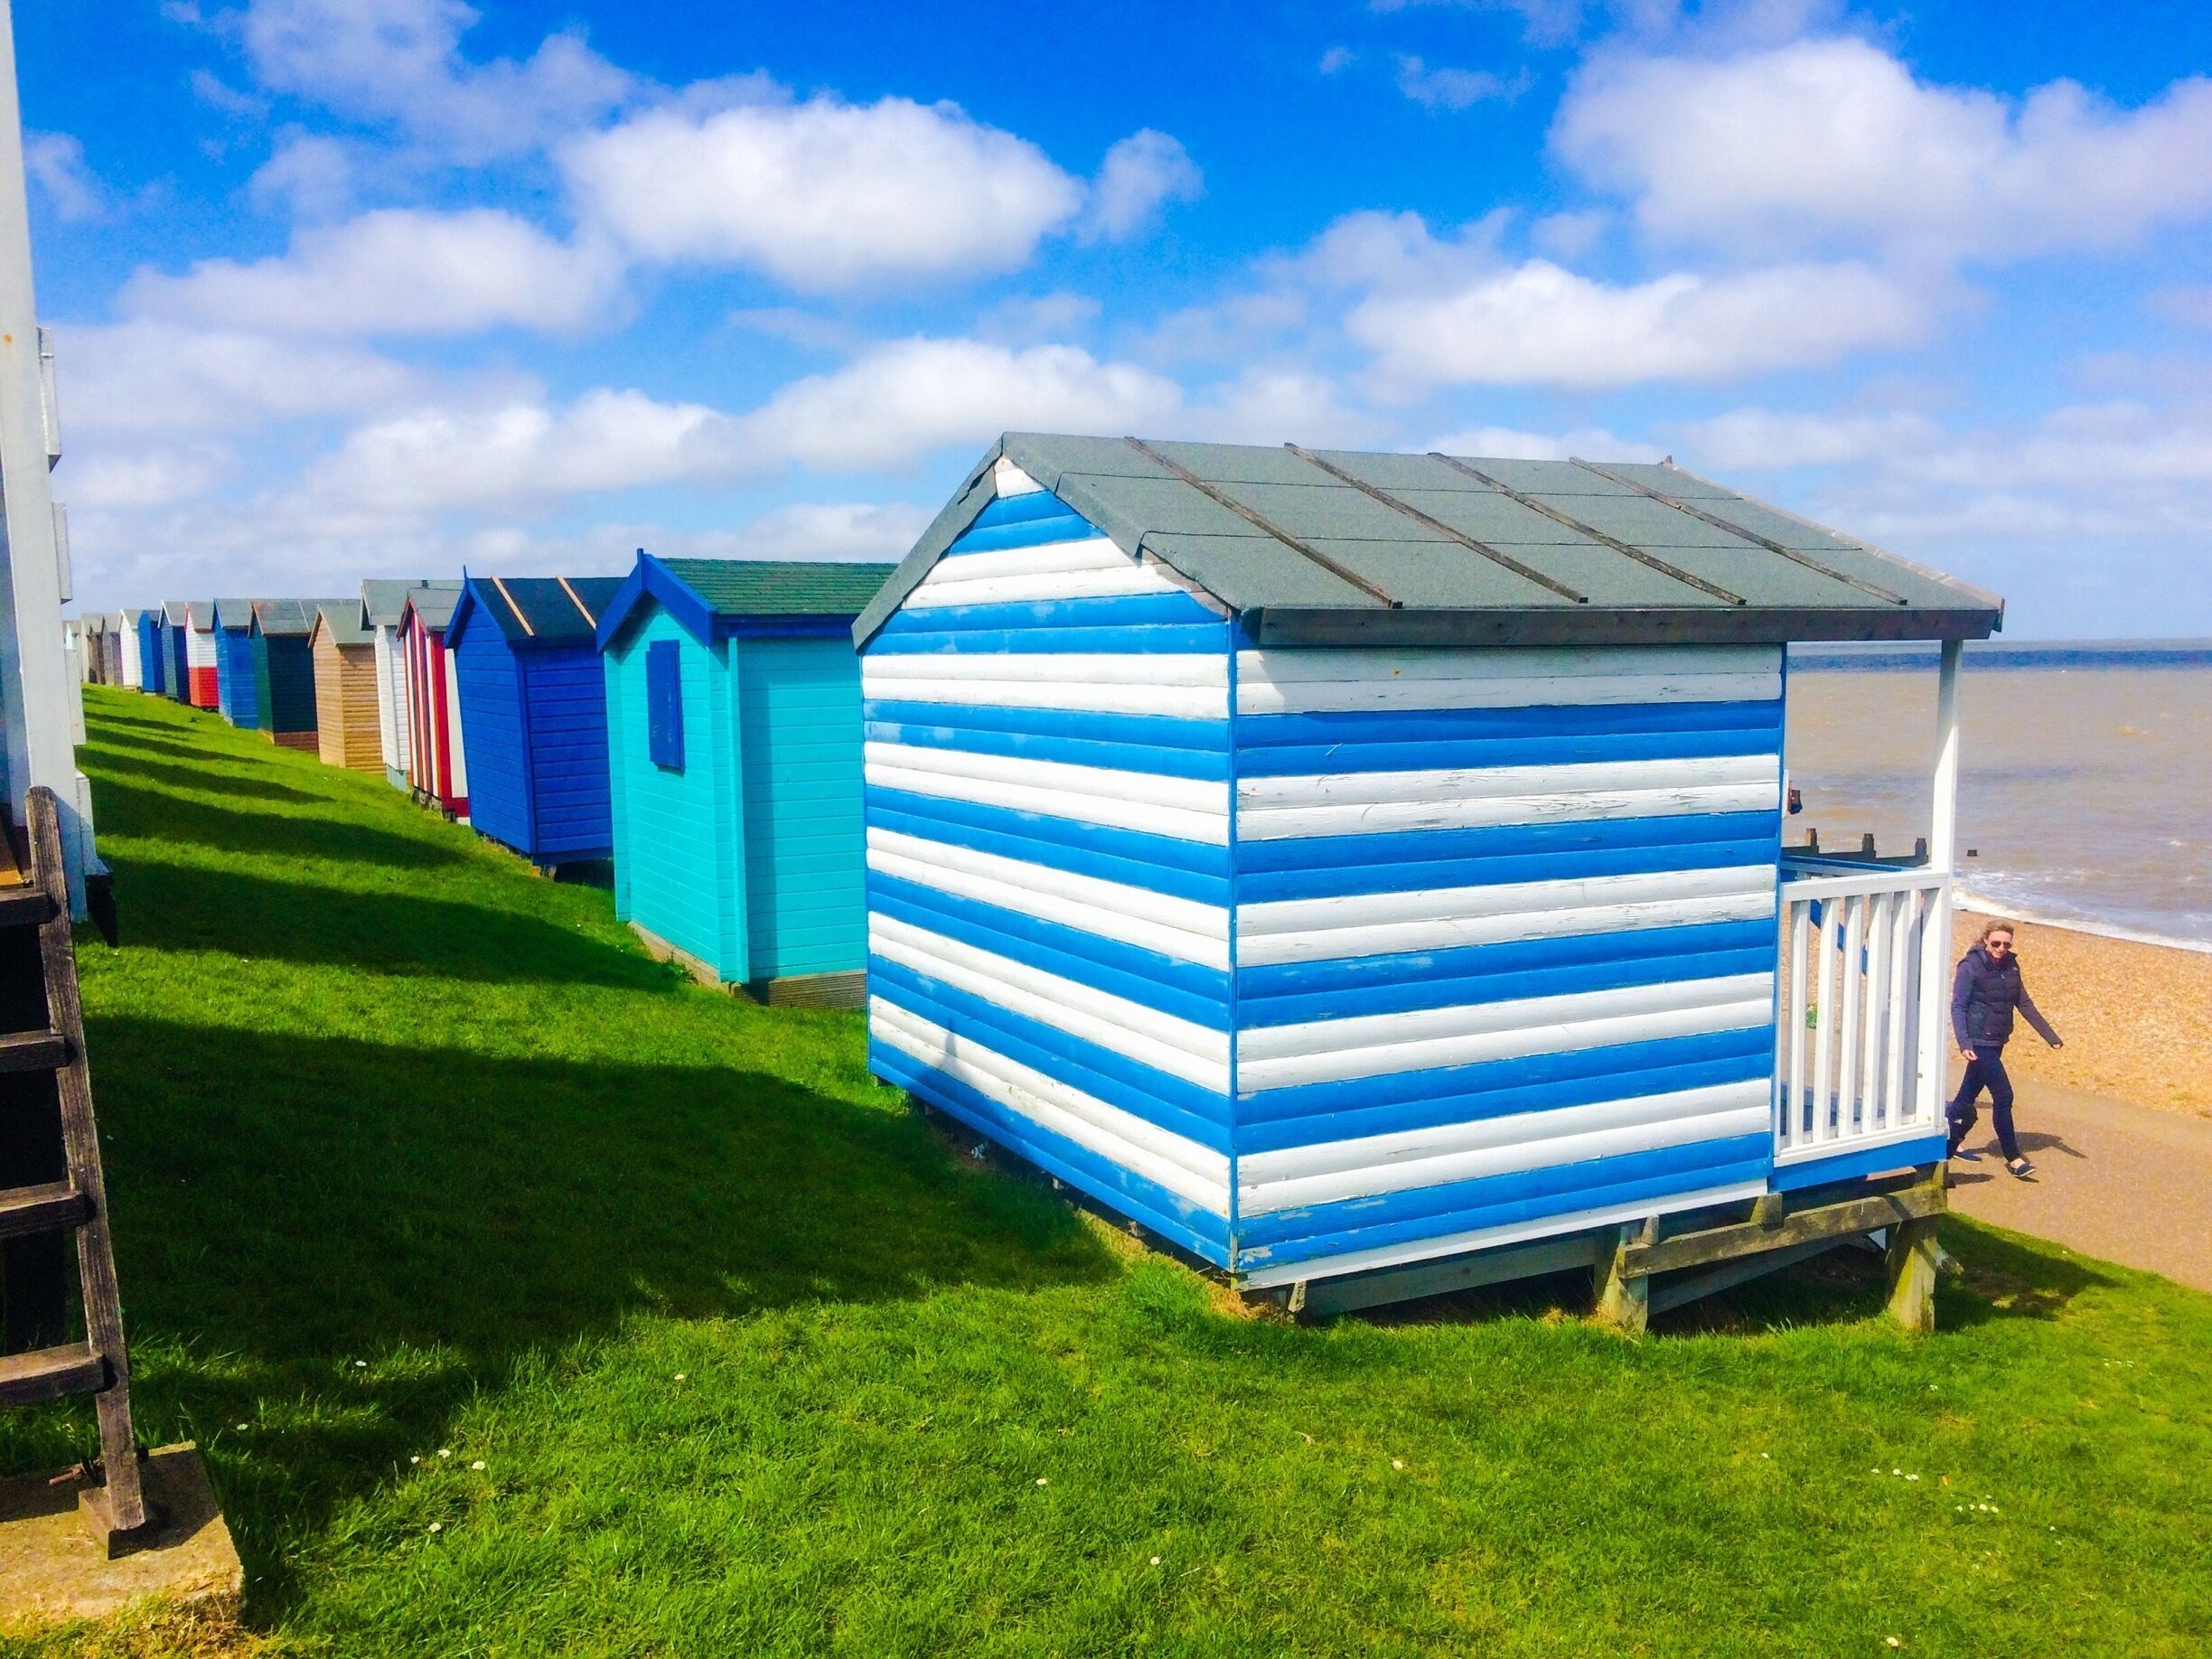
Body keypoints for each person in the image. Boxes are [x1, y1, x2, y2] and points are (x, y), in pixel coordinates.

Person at [1946, 920, 2063, 1177]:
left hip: (1998, 1039)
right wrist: (1964, 1042)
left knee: (1967, 1096)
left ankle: (1948, 1145)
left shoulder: (2011, 965)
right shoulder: (1971, 966)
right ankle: (2014, 1159)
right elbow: (1958, 1006)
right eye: (1995, 943)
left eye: (2006, 944)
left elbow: (2024, 1003)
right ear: (1985, 939)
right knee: (2004, 1096)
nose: (2000, 948)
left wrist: (2050, 1036)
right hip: (1978, 1042)